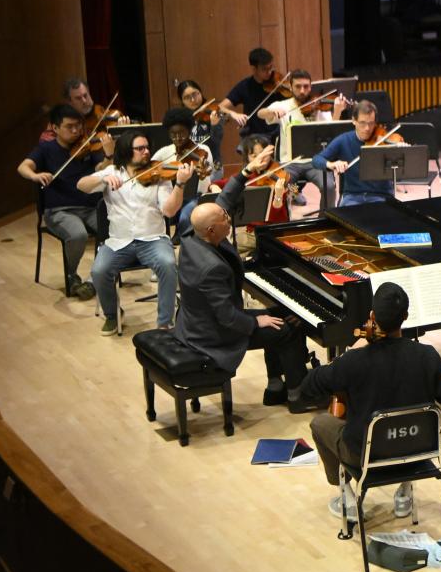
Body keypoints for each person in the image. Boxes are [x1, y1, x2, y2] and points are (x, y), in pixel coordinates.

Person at [298, 283, 441, 521]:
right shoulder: (427, 356)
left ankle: (347, 497)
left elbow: (307, 388)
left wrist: (346, 356)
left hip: (366, 457)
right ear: (406, 318)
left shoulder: (355, 361)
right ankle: (404, 492)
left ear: (372, 316)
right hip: (418, 452)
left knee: (320, 424)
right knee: (408, 422)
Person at [175, 146, 315, 410]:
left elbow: (223, 201)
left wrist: (247, 171)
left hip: (197, 321)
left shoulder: (193, 236)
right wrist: (256, 321)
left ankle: (275, 388)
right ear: (213, 229)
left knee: (282, 313)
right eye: (226, 219)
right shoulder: (210, 269)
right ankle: (299, 395)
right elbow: (227, 317)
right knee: (285, 328)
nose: (230, 218)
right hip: (213, 334)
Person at [78, 129, 188, 334]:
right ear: (127, 151)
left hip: (153, 239)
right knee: (98, 271)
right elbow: (81, 185)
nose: (146, 152)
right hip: (119, 241)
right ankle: (113, 314)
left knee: (168, 263)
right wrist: (102, 180)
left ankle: (165, 322)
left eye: (147, 147)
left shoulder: (159, 176)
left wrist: (179, 184)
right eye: (140, 148)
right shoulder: (111, 173)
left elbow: (169, 210)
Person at [16, 103, 115, 300]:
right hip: (60, 210)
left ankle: (95, 277)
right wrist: (36, 176)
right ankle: (71, 276)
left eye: (78, 125)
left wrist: (109, 155)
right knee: (77, 234)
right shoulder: (46, 149)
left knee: (112, 229)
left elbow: (101, 169)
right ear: (54, 128)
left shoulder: (87, 146)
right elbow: (23, 167)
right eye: (70, 126)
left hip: (89, 207)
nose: (76, 130)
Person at [262, 69, 336, 208]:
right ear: (290, 87)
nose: (302, 91)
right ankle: (294, 193)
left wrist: (337, 110)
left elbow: (333, 130)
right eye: (298, 86)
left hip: (315, 161)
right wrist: (271, 111)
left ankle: (326, 220)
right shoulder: (283, 105)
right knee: (277, 183)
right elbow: (260, 113)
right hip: (290, 162)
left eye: (306, 86)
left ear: (310, 86)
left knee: (329, 187)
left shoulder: (320, 106)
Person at [314, 100, 393, 206]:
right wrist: (332, 164)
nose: (367, 128)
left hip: (381, 196)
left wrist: (401, 151)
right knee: (345, 220)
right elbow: (316, 159)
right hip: (353, 197)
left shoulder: (384, 140)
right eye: (362, 123)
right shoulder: (344, 140)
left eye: (371, 123)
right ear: (354, 121)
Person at [152, 107, 214, 237]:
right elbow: (150, 167)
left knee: (186, 216)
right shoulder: (165, 152)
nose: (178, 137)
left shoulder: (202, 149)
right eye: (173, 134)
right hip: (172, 197)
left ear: (190, 130)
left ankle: (183, 238)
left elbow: (206, 177)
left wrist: (203, 170)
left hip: (196, 196)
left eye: (182, 133)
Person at [220, 47, 285, 144]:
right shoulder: (245, 86)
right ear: (254, 69)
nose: (270, 72)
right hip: (255, 136)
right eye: (265, 69)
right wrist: (233, 114)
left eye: (271, 67)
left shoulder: (278, 83)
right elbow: (220, 107)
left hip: (278, 133)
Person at [177, 79, 223, 182]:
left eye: (195, 94)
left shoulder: (213, 113)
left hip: (212, 167)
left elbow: (216, 142)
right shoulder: (181, 120)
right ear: (182, 101)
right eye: (187, 97)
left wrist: (214, 125)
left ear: (200, 92)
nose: (193, 100)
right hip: (191, 167)